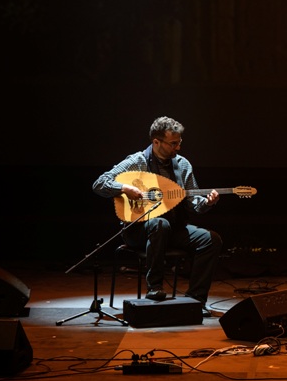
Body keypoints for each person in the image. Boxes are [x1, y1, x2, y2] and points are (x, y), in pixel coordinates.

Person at [92, 116, 223, 317]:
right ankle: (155, 288)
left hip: (173, 228)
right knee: (159, 224)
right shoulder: (137, 161)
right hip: (138, 230)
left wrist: (207, 203)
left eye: (179, 142)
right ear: (156, 142)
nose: (178, 147)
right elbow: (100, 183)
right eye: (173, 143)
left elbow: (193, 203)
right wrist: (124, 188)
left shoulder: (182, 165)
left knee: (211, 239)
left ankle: (196, 300)